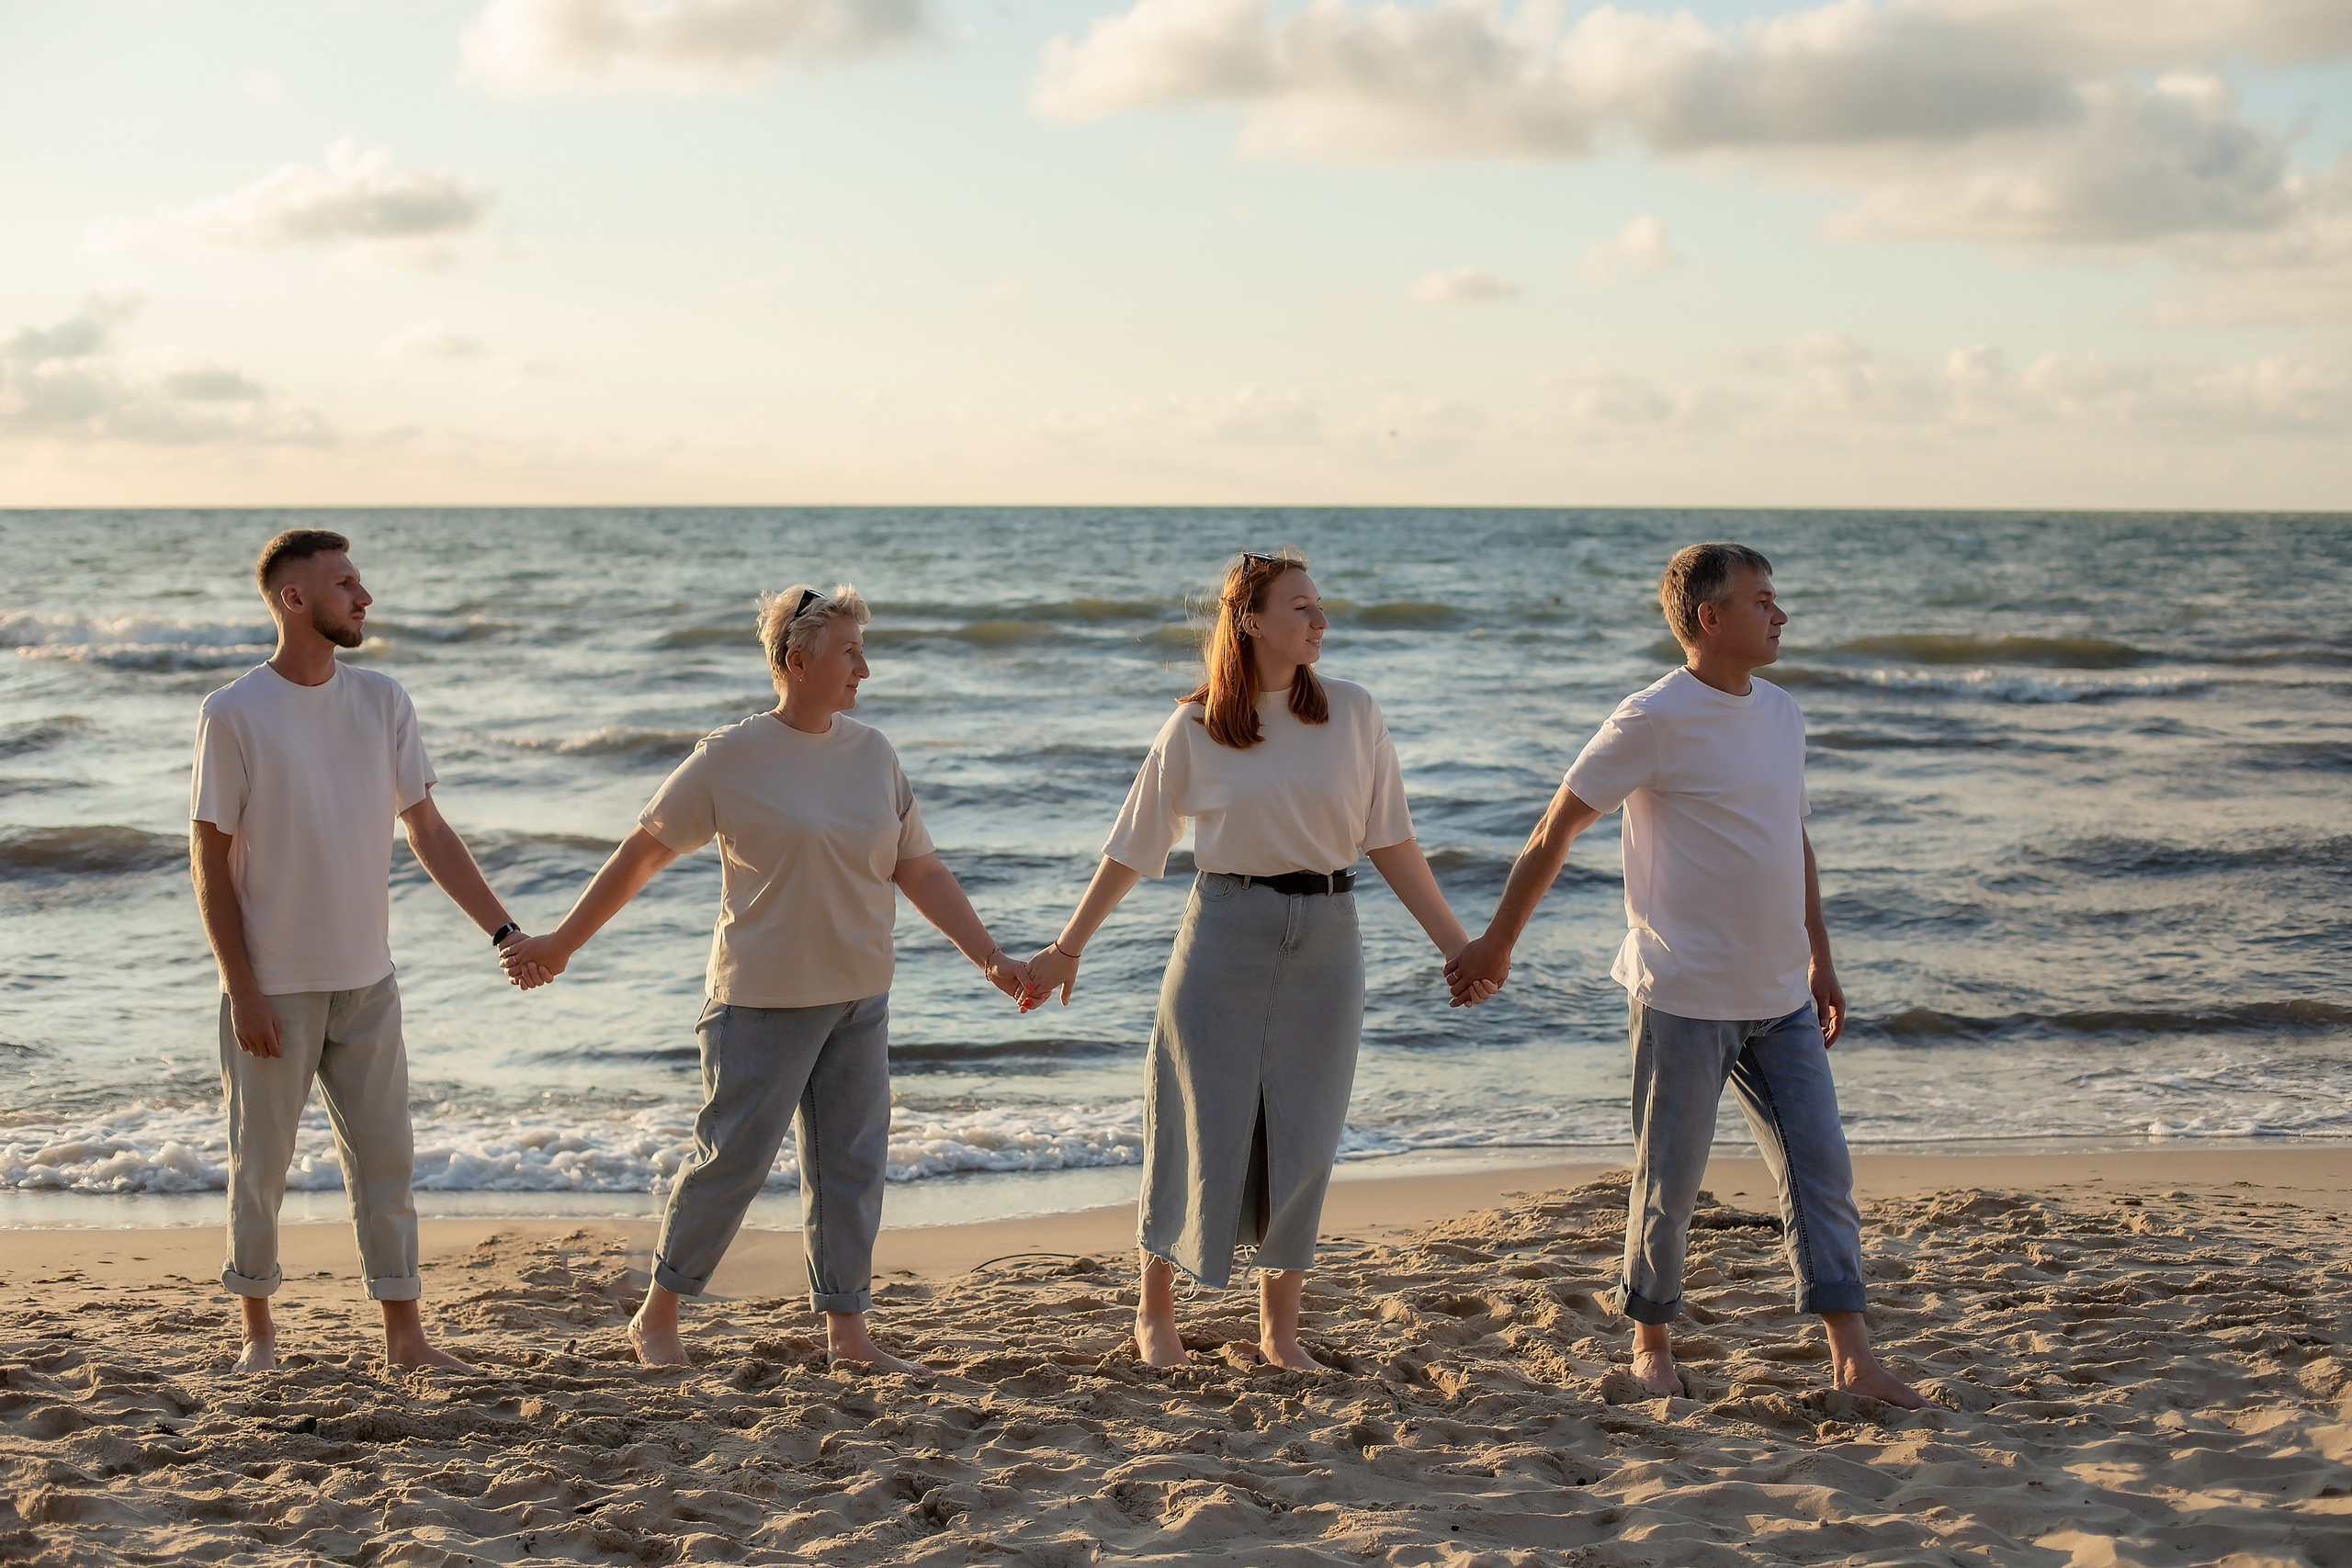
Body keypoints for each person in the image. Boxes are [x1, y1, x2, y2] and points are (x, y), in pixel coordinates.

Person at [501, 584, 1027, 1371]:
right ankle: (657, 1315)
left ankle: (848, 1335)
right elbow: (643, 852)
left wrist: (992, 957)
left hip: (859, 996)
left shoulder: (873, 753)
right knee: (731, 1163)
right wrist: (563, 942)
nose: (864, 668)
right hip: (760, 1000)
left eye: (862, 651)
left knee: (850, 1167)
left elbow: (918, 869)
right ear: (796, 659)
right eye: (849, 652)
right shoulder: (730, 755)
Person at [1444, 542, 1922, 1407]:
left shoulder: (1782, 713)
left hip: (1781, 993)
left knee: (1822, 1172)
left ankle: (1853, 1360)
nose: (1780, 614)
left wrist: (1820, 956)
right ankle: (1651, 1345)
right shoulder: (1652, 718)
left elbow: (1792, 840)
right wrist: (1498, 943)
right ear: (1710, 617)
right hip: (1684, 993)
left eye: (1775, 598)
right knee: (1668, 1183)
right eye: (1762, 600)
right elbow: (1556, 829)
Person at [1023, 548, 1494, 1372]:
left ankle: (1279, 1332)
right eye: (1301, 606)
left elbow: (1392, 840)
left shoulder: (1353, 711)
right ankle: (1154, 1313)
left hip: (1329, 935)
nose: (1320, 620)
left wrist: (1458, 946)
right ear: (1249, 621)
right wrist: (1068, 948)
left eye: (1320, 605)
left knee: (1306, 1132)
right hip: (1224, 933)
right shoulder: (1196, 726)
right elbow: (1133, 847)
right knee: (1191, 1118)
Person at [191, 528, 539, 1374]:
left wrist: (505, 931)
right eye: (345, 583)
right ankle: (258, 1336)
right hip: (274, 986)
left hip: (368, 982)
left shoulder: (384, 701)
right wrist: (243, 989)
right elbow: (208, 856)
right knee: (259, 1169)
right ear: (294, 598)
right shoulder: (233, 712)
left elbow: (427, 829)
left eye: (360, 580)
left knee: (387, 1163)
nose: (364, 596)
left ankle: (406, 1339)